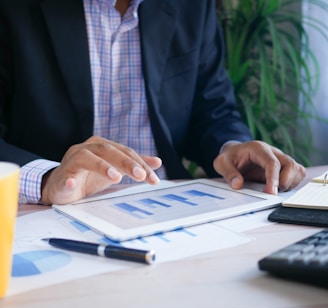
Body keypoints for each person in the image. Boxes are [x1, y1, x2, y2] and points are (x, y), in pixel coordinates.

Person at [0, 0, 305, 205]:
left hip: (166, 207)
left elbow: (211, 108)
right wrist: (47, 180)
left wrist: (233, 148)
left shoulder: (192, 6)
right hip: (47, 214)